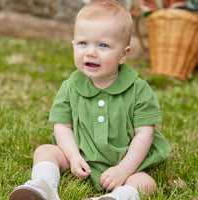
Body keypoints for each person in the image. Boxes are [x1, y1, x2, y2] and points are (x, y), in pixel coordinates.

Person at [9, 0, 172, 200]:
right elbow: (63, 126)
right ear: (73, 46)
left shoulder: (138, 89)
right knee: (44, 151)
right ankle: (44, 186)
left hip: (126, 161)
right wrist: (73, 156)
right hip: (81, 155)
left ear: (123, 54)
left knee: (146, 182)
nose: (91, 52)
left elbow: (145, 134)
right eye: (83, 43)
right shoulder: (70, 86)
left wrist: (123, 169)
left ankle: (117, 197)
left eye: (103, 45)